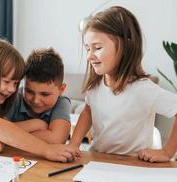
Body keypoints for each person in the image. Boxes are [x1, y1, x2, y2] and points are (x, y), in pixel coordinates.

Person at [69, 6, 177, 162]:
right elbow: (88, 111)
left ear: (125, 47)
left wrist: (167, 152)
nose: (89, 56)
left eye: (97, 48)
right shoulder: (95, 85)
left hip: (132, 165)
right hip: (98, 160)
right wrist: (74, 144)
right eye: (88, 49)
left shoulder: (143, 89)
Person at [6, 48, 71, 144]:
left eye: (45, 94)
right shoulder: (15, 97)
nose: (36, 100)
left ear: (61, 89)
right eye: (29, 91)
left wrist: (11, 136)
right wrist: (36, 124)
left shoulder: (62, 102)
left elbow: (57, 139)